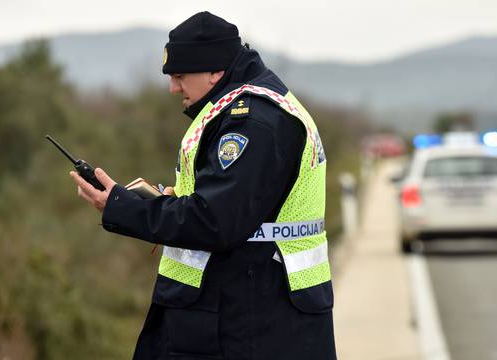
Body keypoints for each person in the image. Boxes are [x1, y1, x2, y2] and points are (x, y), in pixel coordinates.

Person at [70, 11, 336, 360]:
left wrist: (122, 206)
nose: (173, 87)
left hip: (255, 325)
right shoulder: (235, 110)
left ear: (215, 71)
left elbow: (215, 220)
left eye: (180, 76)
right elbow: (228, 204)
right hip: (240, 315)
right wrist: (170, 200)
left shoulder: (254, 121)